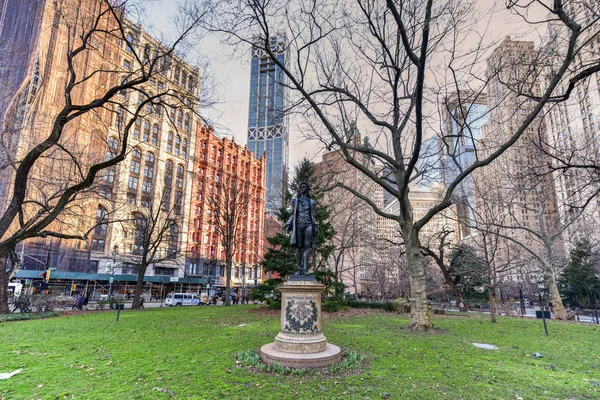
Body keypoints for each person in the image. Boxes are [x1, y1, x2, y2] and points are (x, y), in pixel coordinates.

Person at [285, 182, 320, 275]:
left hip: (308, 225)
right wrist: (289, 224)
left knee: (307, 246)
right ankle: (298, 268)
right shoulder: (295, 200)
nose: (303, 188)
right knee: (299, 246)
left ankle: (305, 268)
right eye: (301, 187)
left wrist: (315, 226)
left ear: (307, 189)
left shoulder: (311, 202)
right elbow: (293, 213)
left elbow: (313, 215)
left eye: (305, 187)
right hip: (298, 224)